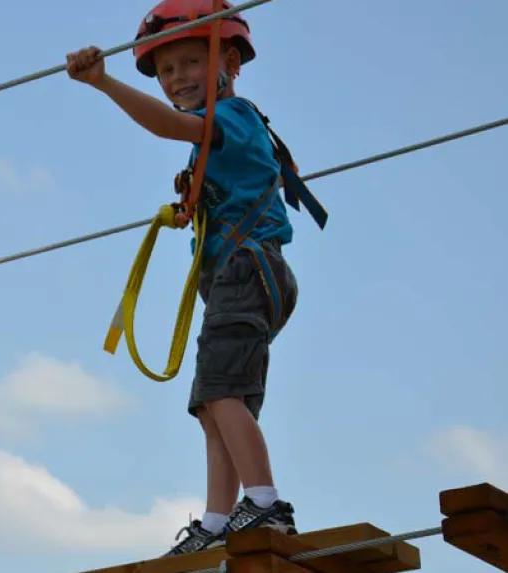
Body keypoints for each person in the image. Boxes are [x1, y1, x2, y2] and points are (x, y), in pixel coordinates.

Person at [67, 0, 323, 555]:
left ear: (229, 60)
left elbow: (167, 124)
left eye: (190, 63)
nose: (177, 79)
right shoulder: (215, 134)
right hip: (240, 271)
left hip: (247, 267)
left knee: (222, 391)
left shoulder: (230, 117)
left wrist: (104, 84)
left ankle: (264, 502)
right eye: (166, 71)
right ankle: (215, 520)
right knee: (213, 404)